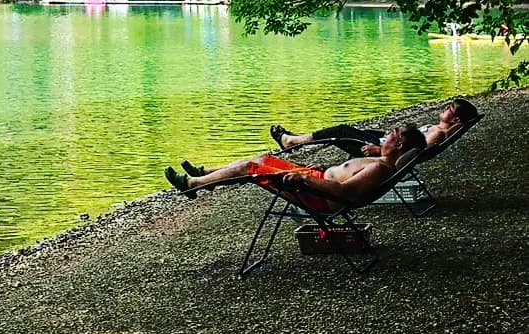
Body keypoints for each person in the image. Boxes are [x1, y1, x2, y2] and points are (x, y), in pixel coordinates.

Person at [165, 123, 428, 206]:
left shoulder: (379, 168)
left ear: (400, 145)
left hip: (317, 194)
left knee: (249, 168)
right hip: (315, 180)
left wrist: (305, 179)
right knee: (262, 160)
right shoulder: (381, 160)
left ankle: (193, 184)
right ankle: (209, 176)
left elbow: (347, 193)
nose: (391, 131)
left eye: (396, 132)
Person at [269, 97, 479, 157]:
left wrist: (379, 150)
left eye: (450, 108)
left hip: (380, 149)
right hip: (384, 142)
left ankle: (291, 141)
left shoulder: (437, 134)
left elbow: (414, 152)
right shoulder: (441, 130)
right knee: (350, 132)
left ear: (456, 120)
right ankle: (296, 140)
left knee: (341, 131)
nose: (445, 108)